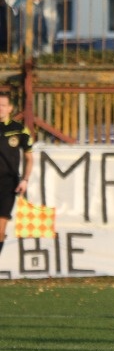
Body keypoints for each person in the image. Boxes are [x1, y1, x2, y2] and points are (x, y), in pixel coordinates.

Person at [0, 93, 34, 257]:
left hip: (8, 184)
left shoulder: (19, 129)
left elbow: (29, 158)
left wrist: (25, 180)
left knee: (0, 229)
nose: (0, 108)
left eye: (3, 105)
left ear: (10, 108)